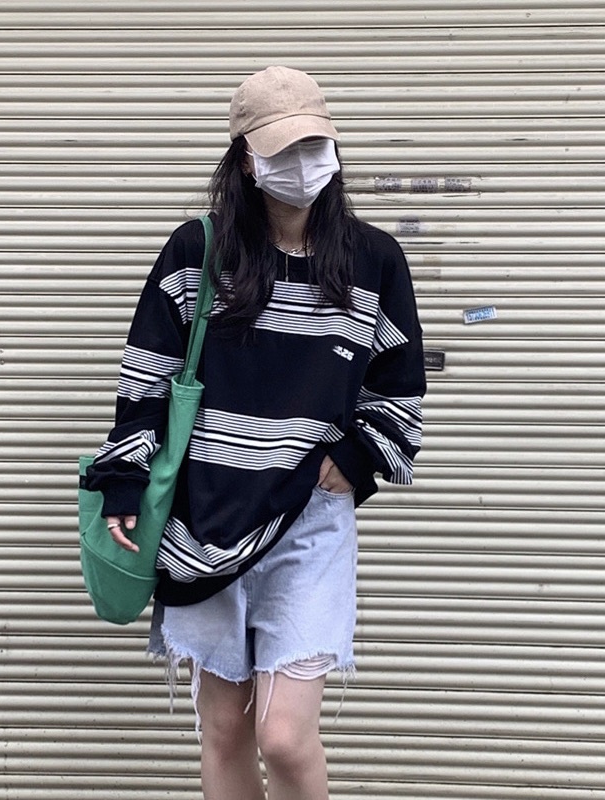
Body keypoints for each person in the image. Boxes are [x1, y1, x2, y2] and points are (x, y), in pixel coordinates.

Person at [86, 65, 426, 800]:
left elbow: (398, 390)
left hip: (308, 520)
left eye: (314, 145)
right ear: (246, 159)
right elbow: (147, 375)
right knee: (225, 731)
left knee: (285, 736)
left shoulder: (373, 261)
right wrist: (124, 480)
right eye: (282, 148)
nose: (302, 162)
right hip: (204, 516)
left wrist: (355, 460)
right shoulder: (198, 251)